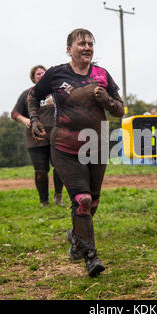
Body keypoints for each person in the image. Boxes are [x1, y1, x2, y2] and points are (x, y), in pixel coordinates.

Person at [27, 28, 124, 277]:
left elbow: (120, 110)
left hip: (97, 145)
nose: (87, 47)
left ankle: (76, 237)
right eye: (81, 44)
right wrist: (36, 120)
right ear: (69, 49)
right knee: (82, 200)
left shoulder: (103, 75)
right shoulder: (56, 74)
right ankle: (91, 257)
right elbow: (33, 95)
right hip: (65, 146)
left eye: (90, 43)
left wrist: (107, 100)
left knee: (92, 203)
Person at [11, 65, 64, 208]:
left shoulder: (56, 92)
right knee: (40, 171)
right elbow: (15, 113)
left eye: (43, 73)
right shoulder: (27, 94)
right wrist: (25, 120)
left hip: (56, 136)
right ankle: (44, 201)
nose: (41, 75)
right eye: (38, 74)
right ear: (33, 78)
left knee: (59, 167)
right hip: (35, 138)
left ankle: (58, 196)